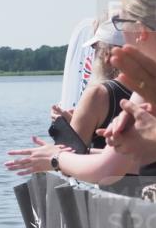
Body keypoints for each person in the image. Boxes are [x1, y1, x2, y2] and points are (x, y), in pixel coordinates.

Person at [6, 0, 156, 187]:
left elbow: (107, 170)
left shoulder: (150, 86)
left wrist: (55, 159)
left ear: (141, 31)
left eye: (121, 23)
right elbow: (134, 161)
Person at [49, 19, 129, 150]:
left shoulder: (97, 94)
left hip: (106, 170)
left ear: (106, 54)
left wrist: (62, 125)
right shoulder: (150, 88)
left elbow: (72, 154)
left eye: (95, 48)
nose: (93, 55)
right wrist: (77, 121)